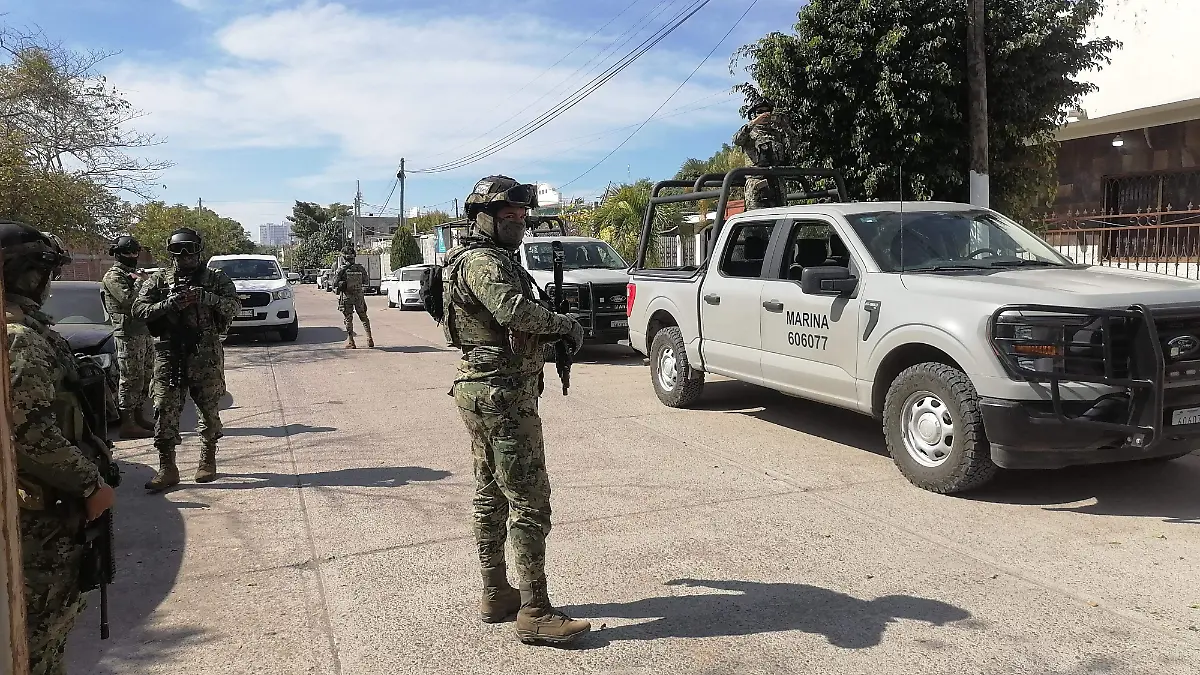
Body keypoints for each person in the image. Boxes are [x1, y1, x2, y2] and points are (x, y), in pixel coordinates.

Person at [441, 175, 588, 645]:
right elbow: (513, 314)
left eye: (522, 217)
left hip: (487, 392)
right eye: (508, 217)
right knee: (529, 501)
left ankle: (496, 592)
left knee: (491, 495)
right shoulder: (483, 262)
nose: (518, 224)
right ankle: (536, 611)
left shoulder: (477, 259)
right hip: (501, 396)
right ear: (482, 219)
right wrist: (564, 326)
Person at [2, 220, 117, 675]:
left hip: (39, 511)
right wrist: (91, 485)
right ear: (29, 274)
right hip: (38, 520)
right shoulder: (18, 338)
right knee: (38, 642)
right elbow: (29, 434)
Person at [133, 228, 240, 491]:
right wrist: (170, 304)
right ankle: (167, 467)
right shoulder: (159, 280)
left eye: (190, 250)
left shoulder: (214, 278)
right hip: (169, 353)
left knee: (208, 407)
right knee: (164, 409)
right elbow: (139, 310)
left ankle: (207, 459)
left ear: (198, 251)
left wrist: (206, 298)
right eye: (178, 252)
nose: (184, 257)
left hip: (205, 352)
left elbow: (235, 306)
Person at [100, 235, 155, 440]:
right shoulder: (113, 276)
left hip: (142, 331)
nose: (133, 256)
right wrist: (142, 283)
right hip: (127, 334)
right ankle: (128, 423)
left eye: (135, 252)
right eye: (129, 253)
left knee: (145, 376)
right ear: (118, 254)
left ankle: (139, 416)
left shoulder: (130, 273)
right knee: (130, 378)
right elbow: (129, 301)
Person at [732, 99, 796, 210]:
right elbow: (736, 140)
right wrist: (753, 123)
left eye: (767, 112)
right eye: (760, 112)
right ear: (754, 115)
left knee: (780, 220)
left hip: (777, 183)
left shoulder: (776, 134)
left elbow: (794, 145)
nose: (764, 115)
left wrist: (785, 126)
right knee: (758, 222)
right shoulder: (750, 133)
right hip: (757, 184)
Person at [334, 246, 373, 349]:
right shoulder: (360, 268)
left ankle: (351, 341)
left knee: (348, 319)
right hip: (359, 296)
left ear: (343, 258)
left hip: (347, 297)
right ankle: (369, 338)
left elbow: (334, 283)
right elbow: (366, 281)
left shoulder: (341, 269)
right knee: (364, 317)